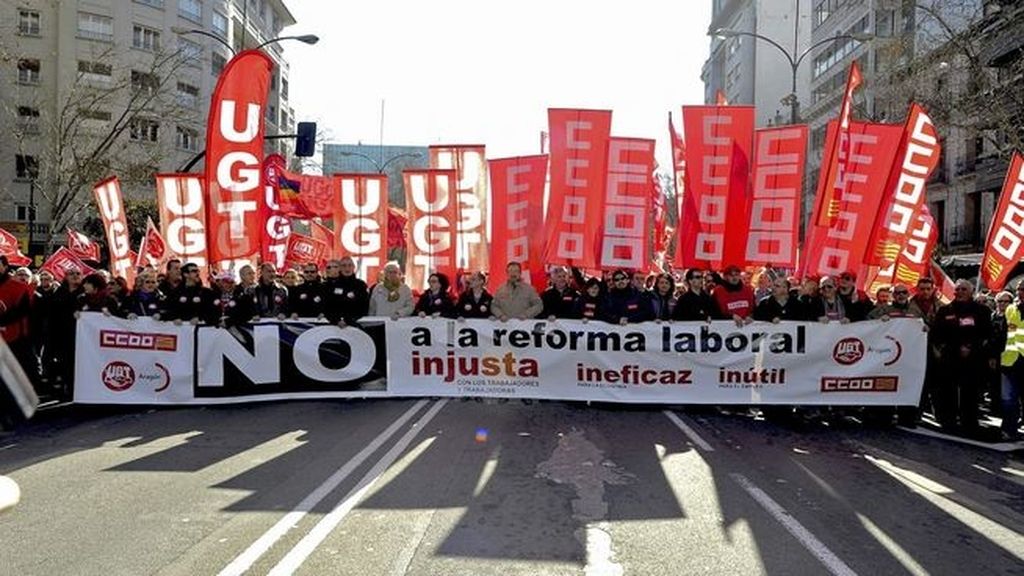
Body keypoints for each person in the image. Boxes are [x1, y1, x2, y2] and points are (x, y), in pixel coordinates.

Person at [932, 279, 991, 435]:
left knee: (970, 391)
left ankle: (969, 422)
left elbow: (986, 333)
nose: (959, 292)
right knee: (948, 390)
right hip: (950, 357)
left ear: (971, 292)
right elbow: (937, 333)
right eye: (957, 290)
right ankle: (948, 421)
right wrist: (943, 349)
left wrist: (969, 347)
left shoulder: (982, 310)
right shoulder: (945, 310)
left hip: (973, 358)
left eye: (963, 289)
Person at [0, 256, 35, 384]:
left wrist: (3, 321)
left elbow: (22, 311)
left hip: (15, 336)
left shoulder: (19, 287)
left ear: (5, 266)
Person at [998, 292, 1023, 441]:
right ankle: (1008, 430)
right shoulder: (1011, 309)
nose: (1021, 292)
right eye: (1020, 289)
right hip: (1010, 361)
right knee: (1008, 399)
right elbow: (1004, 333)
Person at [324, 257, 371, 324]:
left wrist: (348, 320)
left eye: (349, 265)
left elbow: (364, 307)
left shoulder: (360, 285)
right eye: (344, 266)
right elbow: (327, 306)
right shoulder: (331, 285)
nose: (347, 268)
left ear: (354, 267)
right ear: (340, 268)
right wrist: (336, 320)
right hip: (335, 326)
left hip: (355, 325)